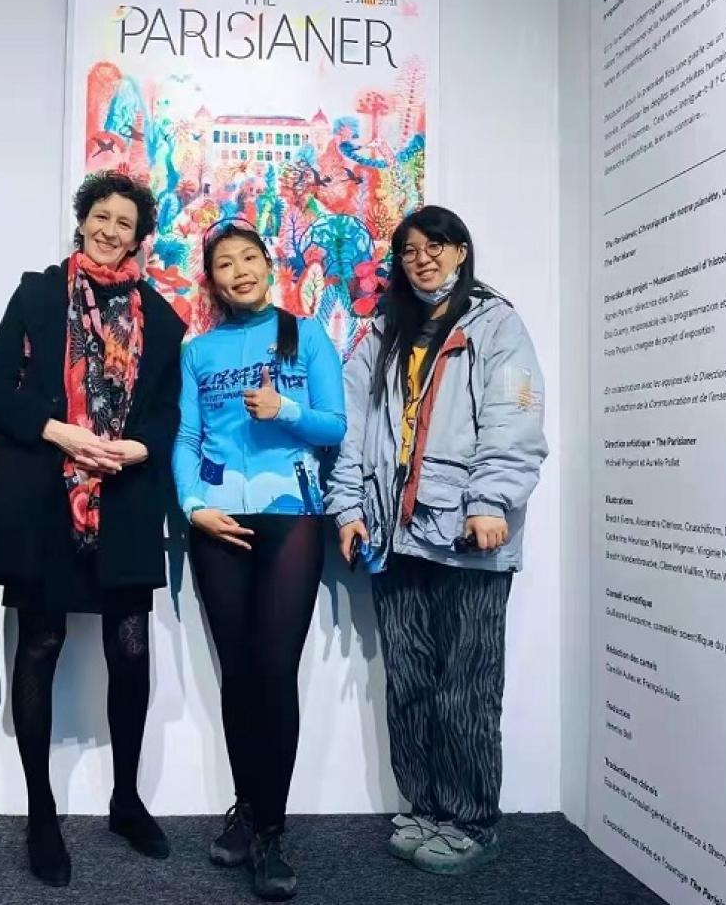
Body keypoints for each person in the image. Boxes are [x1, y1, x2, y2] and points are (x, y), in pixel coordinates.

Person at [325, 205, 547, 875]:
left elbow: (515, 417)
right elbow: (349, 428)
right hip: (394, 535)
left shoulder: (495, 324)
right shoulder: (381, 333)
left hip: (468, 534)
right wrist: (347, 509)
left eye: (437, 245)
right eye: (410, 249)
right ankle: (423, 805)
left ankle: (471, 819)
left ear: (460, 251)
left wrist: (489, 501)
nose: (423, 257)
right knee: (410, 679)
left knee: (466, 685)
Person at [0, 172, 185, 887]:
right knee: (41, 641)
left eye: (124, 222)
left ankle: (126, 798)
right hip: (43, 491)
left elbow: (164, 411)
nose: (110, 229)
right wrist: (62, 432)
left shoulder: (161, 315)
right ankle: (41, 812)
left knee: (129, 648)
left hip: (124, 495)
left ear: (139, 236)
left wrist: (137, 446)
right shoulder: (38, 294)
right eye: (101, 215)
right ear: (82, 219)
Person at [173, 222, 346, 901]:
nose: (238, 270)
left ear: (266, 265)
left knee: (275, 671)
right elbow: (186, 437)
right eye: (224, 264)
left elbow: (334, 425)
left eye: (248, 258)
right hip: (217, 517)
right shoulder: (198, 351)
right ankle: (247, 810)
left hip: (291, 517)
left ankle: (271, 829)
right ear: (212, 279)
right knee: (238, 670)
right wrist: (191, 504)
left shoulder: (306, 336)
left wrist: (287, 408)